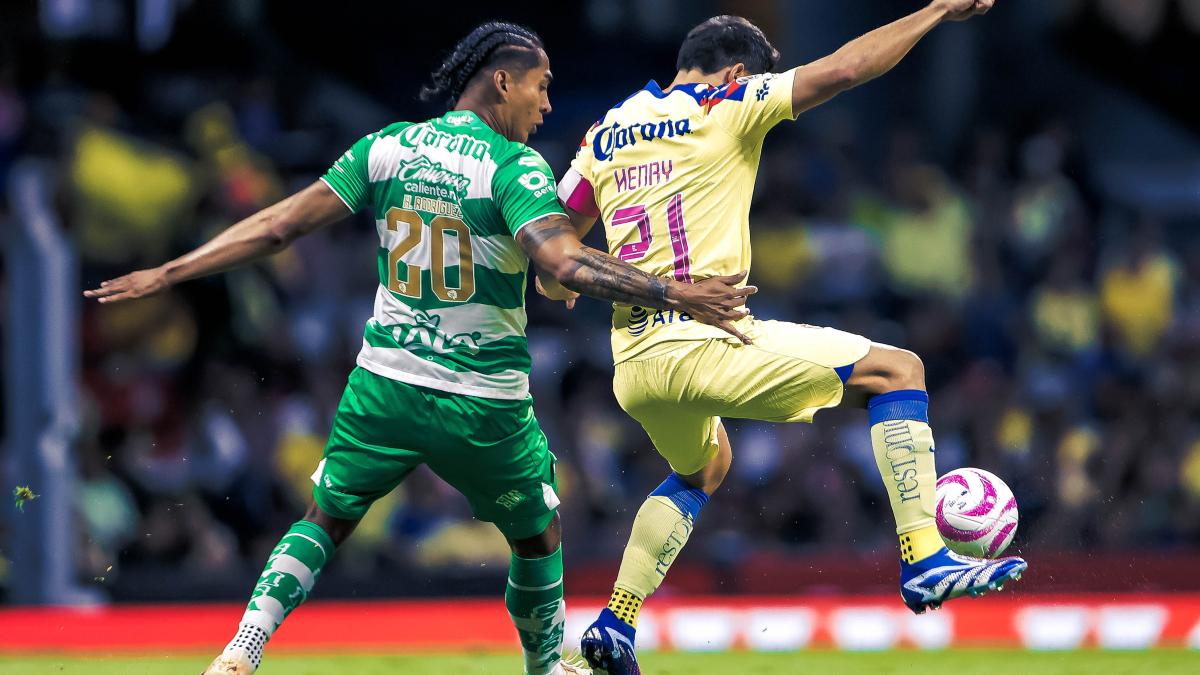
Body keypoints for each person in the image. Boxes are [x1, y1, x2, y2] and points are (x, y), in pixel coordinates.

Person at [85, 22, 755, 675]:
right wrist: (677, 292)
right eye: (541, 86)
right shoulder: (513, 165)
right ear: (502, 81)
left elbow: (278, 225)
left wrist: (169, 272)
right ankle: (547, 662)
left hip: (385, 384)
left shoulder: (388, 147)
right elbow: (567, 263)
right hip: (482, 401)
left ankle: (243, 647)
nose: (547, 103)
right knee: (539, 534)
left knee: (326, 516)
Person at [551, 2, 1027, 672]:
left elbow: (553, 263)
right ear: (737, 70)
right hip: (703, 342)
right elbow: (846, 68)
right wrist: (935, 11)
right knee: (899, 369)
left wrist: (587, 278)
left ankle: (615, 624)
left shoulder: (604, 133)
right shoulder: (727, 102)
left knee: (705, 467)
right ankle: (924, 554)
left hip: (634, 363)